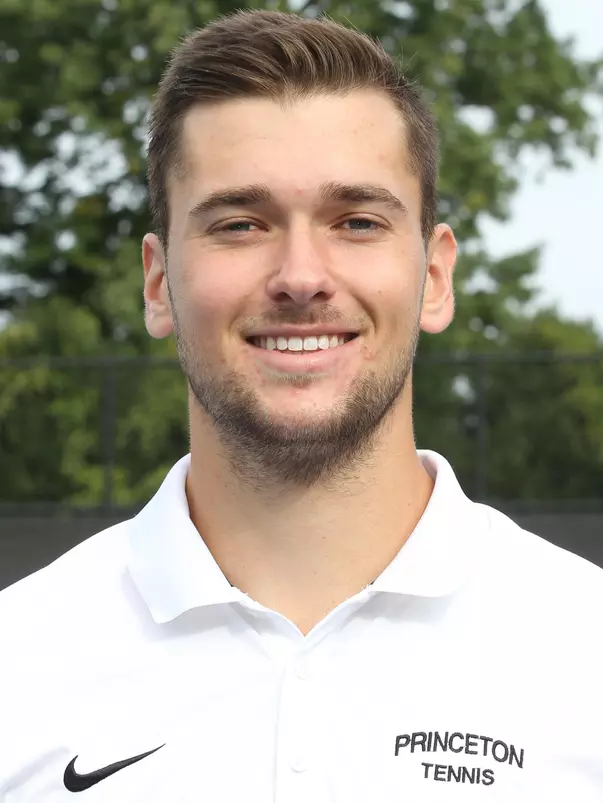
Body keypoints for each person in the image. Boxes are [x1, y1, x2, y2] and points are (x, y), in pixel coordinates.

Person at [1, 8, 602, 801]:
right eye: (240, 224)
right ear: (156, 283)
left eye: (356, 221)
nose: (299, 274)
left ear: (433, 277)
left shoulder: (582, 649)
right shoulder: (20, 659)